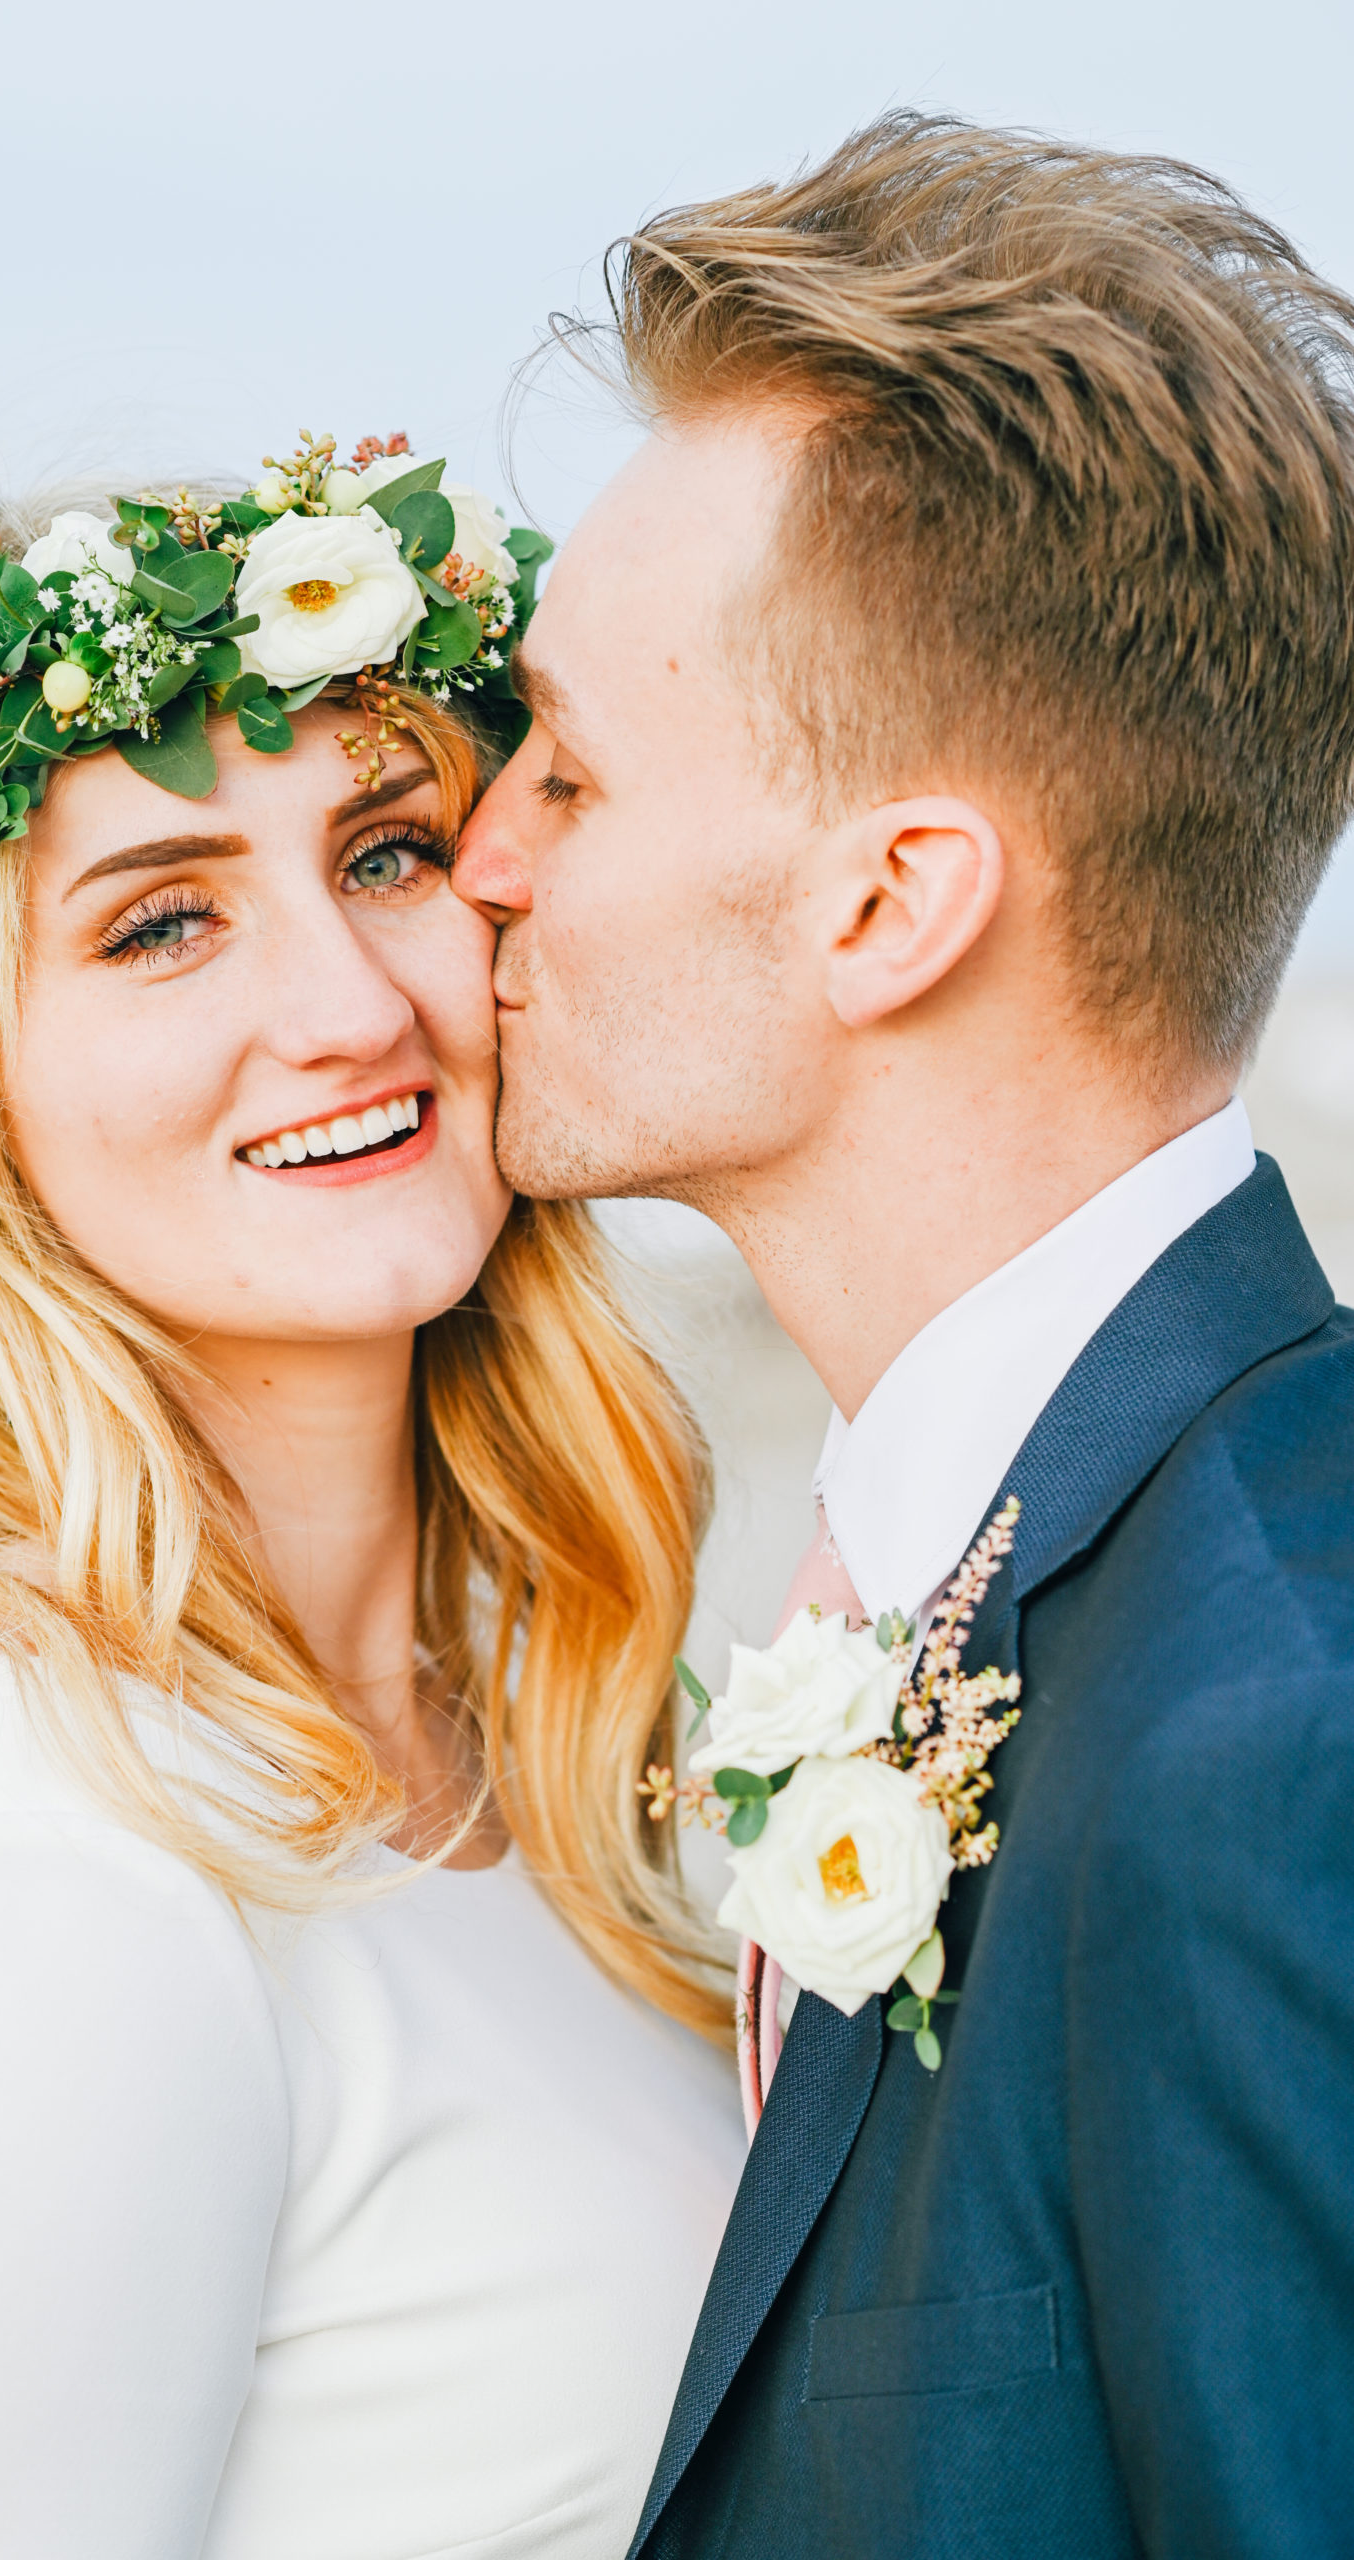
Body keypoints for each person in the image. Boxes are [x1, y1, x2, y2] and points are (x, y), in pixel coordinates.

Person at [0, 453, 745, 2558]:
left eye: (392, 850)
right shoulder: (2, 1864)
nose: (350, 1008)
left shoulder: (532, 1728)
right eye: (163, 921)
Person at [455, 114, 1354, 2558]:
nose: (483, 850)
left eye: (570, 761)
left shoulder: (1281, 1732)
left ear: (890, 906)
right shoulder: (1034, 1576)